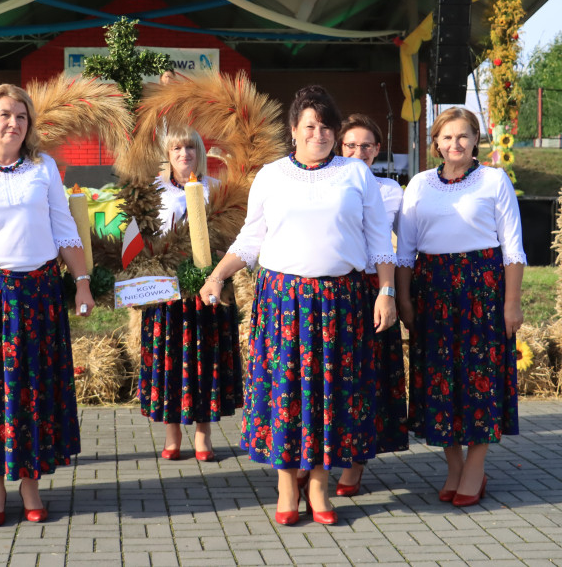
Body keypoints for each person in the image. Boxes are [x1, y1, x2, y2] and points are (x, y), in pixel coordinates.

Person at [199, 85, 397, 526]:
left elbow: (380, 240)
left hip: (340, 301)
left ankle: (320, 486)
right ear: (293, 130)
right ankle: (287, 483)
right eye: (310, 125)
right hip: (284, 302)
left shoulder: (356, 175)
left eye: (327, 126)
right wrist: (217, 276)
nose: (319, 134)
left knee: (333, 395)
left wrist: (386, 292)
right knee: (286, 394)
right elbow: (251, 239)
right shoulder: (270, 175)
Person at [0, 83, 93, 527]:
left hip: (40, 298)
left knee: (32, 392)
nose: (13, 123)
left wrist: (81, 283)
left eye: (21, 117)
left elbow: (65, 231)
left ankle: (30, 484)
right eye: (5, 115)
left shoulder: (43, 167)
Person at [396, 107, 525, 507]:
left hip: (482, 293)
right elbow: (404, 252)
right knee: (438, 382)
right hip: (431, 293)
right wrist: (403, 299)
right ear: (435, 142)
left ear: (476, 141)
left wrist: (512, 303)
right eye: (447, 137)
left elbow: (513, 248)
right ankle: (454, 466)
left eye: (464, 136)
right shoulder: (418, 184)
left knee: (479, 380)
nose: (455, 144)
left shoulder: (493, 179)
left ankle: (475, 467)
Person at [140, 127, 243, 461]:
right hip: (166, 293)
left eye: (190, 148)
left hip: (208, 289)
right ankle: (172, 435)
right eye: (176, 149)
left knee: (205, 361)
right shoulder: (152, 192)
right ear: (167, 155)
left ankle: (203, 435)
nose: (184, 154)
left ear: (199, 152)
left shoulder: (218, 190)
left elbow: (234, 237)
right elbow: (139, 242)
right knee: (170, 360)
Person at [332, 114, 409, 496]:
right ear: (338, 148)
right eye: (350, 145)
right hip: (335, 289)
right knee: (333, 378)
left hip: (375, 288)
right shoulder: (327, 184)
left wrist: (394, 292)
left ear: (377, 150)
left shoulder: (389, 189)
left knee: (368, 378)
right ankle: (322, 456)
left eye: (366, 145)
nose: (358, 152)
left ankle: (356, 464)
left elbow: (405, 246)